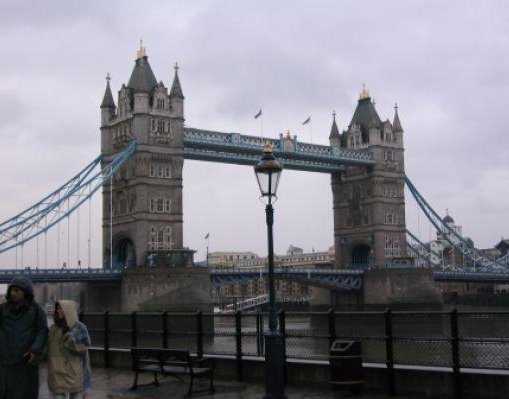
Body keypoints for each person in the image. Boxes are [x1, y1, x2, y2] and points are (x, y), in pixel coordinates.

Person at [0, 276, 48, 399]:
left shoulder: (36, 310)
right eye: (12, 290)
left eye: (17, 290)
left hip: (26, 361)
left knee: (25, 393)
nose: (13, 293)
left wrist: (34, 350)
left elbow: (42, 331)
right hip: (6, 360)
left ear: (25, 292)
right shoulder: (3, 309)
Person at [47, 300, 91, 399]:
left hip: (74, 373)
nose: (58, 311)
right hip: (57, 374)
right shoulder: (53, 329)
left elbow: (85, 347)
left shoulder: (80, 328)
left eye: (60, 309)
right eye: (57, 308)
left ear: (68, 311)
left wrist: (71, 342)